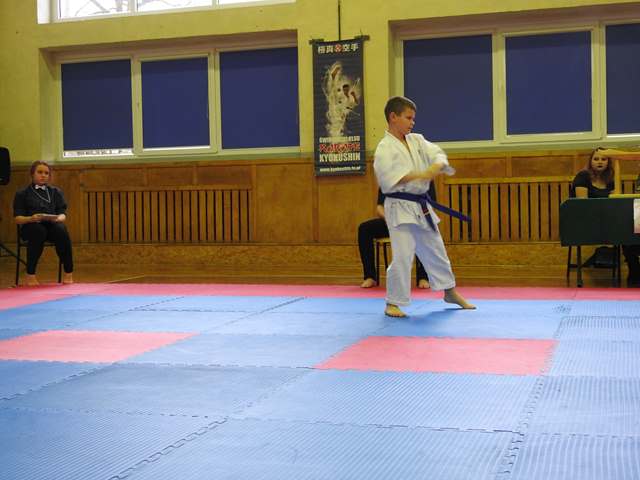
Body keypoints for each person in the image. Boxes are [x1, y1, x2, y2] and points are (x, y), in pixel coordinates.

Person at [373, 96, 475, 317]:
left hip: (421, 206)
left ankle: (449, 291)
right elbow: (387, 178)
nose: (412, 122)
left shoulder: (417, 140)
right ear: (393, 117)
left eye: (413, 118)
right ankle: (392, 302)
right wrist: (422, 174)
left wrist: (437, 164)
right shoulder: (384, 148)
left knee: (436, 248)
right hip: (399, 206)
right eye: (408, 118)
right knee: (403, 254)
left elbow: (436, 153)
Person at [572, 148, 640, 286]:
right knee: (626, 228)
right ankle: (635, 269)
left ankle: (634, 269)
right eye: (596, 159)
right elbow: (582, 205)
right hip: (586, 221)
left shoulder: (610, 179)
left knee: (630, 227)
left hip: (608, 219)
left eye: (604, 159)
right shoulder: (583, 176)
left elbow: (616, 201)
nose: (600, 162)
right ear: (590, 161)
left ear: (608, 162)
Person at [13, 160, 74, 286]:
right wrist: (31, 218)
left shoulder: (55, 192)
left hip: (51, 226)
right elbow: (17, 218)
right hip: (31, 227)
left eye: (46, 173)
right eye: (40, 172)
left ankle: (68, 272)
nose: (43, 175)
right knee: (38, 231)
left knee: (61, 230)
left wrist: (60, 218)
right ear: (32, 174)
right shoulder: (22, 194)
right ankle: (30, 274)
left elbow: (62, 212)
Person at [358, 187, 431, 289]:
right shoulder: (387, 181)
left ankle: (423, 277)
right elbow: (379, 208)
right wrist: (389, 220)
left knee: (424, 230)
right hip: (391, 221)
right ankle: (370, 276)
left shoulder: (420, 181)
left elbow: (429, 206)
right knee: (364, 229)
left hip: (414, 221)